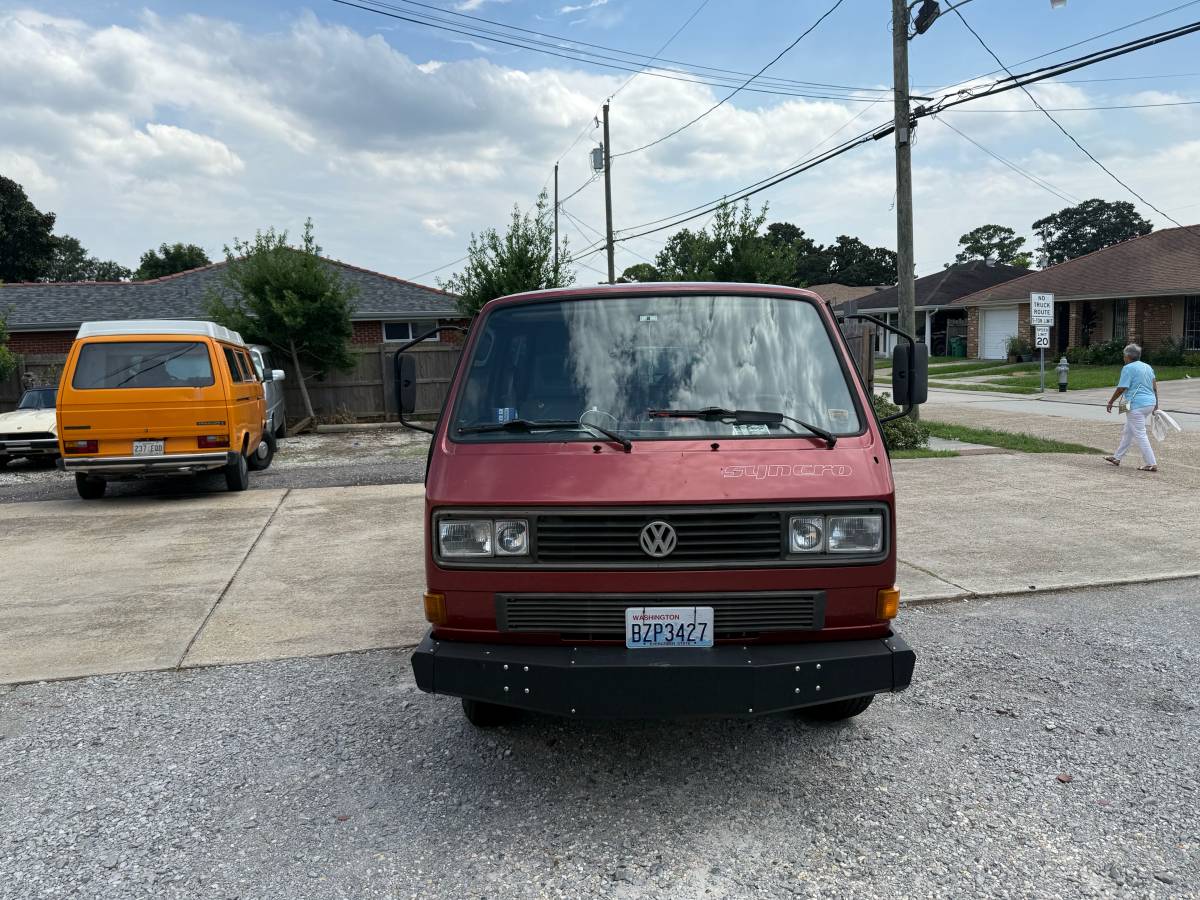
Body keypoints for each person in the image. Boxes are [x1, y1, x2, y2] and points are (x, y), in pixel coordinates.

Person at [1104, 343, 1159, 472]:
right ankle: (1117, 457)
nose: (1124, 358)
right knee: (1128, 430)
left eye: (1124, 356)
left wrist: (1111, 401)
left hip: (1136, 404)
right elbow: (1155, 387)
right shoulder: (1147, 367)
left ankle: (1151, 463)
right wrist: (1156, 405)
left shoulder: (1128, 368)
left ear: (1128, 356)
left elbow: (1122, 388)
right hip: (1149, 403)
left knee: (1140, 433)